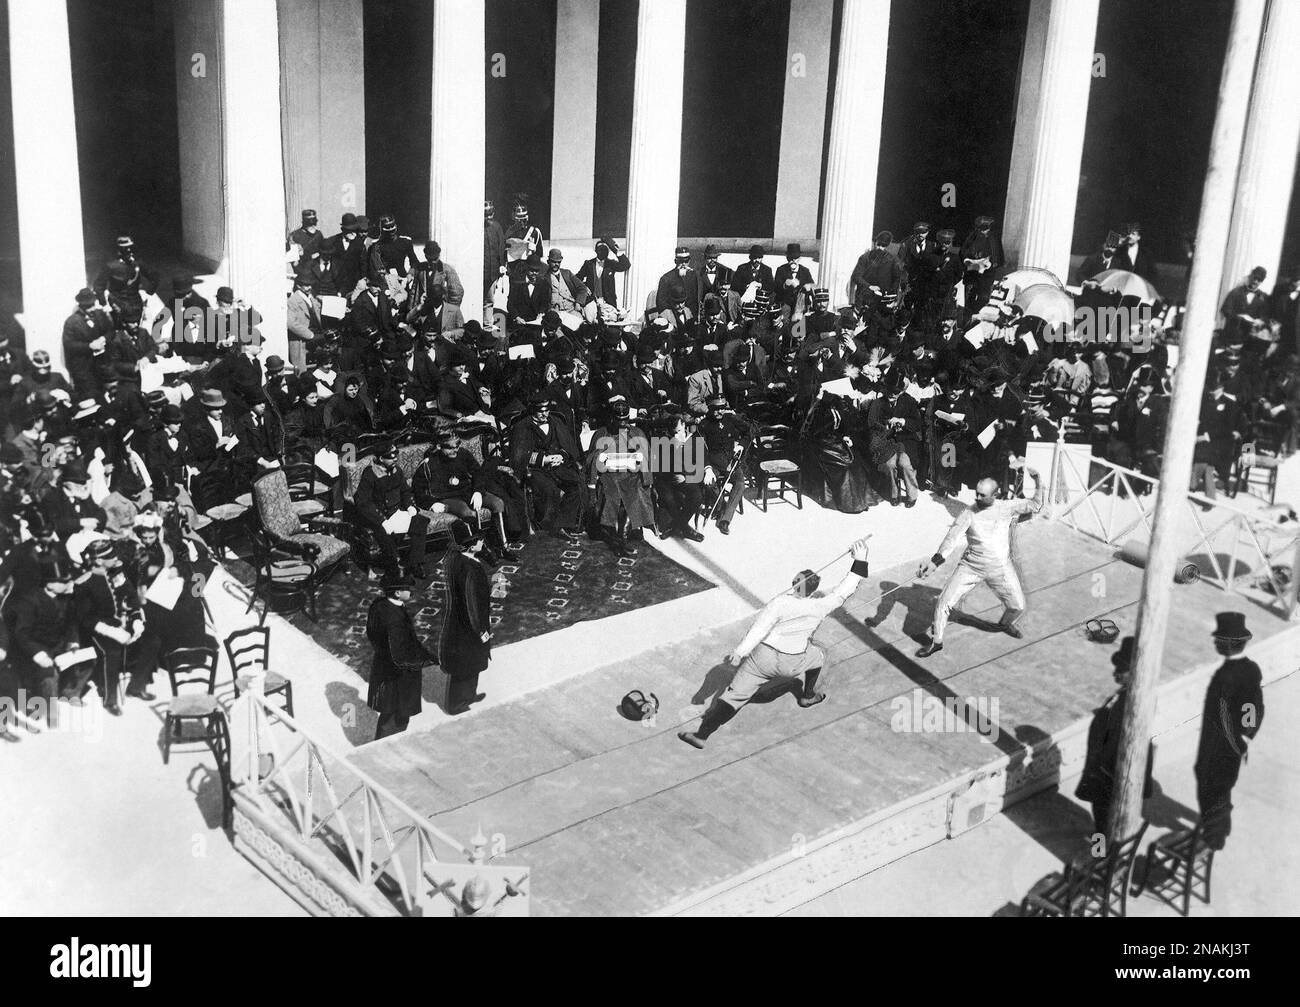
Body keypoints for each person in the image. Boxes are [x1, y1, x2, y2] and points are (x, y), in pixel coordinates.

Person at [679, 537, 871, 749]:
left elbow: (759, 629)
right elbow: (846, 588)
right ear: (813, 590)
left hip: (762, 659)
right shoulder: (821, 606)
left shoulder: (780, 602)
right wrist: (859, 559)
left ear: (794, 584)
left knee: (733, 697)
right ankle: (807, 696)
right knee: (818, 657)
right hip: (793, 662)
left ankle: (701, 736)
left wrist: (740, 652)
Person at [915, 464, 1045, 657]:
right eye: (976, 494)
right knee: (943, 602)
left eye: (982, 495)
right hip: (971, 567)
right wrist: (934, 563)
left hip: (1000, 568)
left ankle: (1005, 624)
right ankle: (937, 642)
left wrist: (1037, 481)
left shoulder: (1006, 507)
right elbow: (951, 538)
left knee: (1018, 606)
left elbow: (1035, 504)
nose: (976, 498)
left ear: (995, 494)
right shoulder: (968, 513)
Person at [1195, 612, 1264, 850]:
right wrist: (1246, 736)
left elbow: (1223, 717)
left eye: (1218, 640)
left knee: (1210, 787)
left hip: (1218, 746)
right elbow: (1255, 705)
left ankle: (1213, 840)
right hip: (1235, 745)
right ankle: (1222, 826)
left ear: (1228, 644)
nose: (1214, 643)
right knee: (1223, 785)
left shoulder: (1226, 676)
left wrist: (1233, 741)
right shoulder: (1252, 669)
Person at [1075, 636, 1153, 835]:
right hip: (1109, 776)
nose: (1115, 674)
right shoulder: (1130, 696)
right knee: (1103, 821)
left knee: (1101, 824)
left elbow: (1117, 743)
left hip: (1107, 779)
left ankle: (1101, 858)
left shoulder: (1129, 704)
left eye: (1122, 670)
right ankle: (1106, 857)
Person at [365, 571, 433, 740]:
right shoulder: (393, 619)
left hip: (384, 666)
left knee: (391, 710)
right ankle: (385, 747)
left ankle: (388, 742)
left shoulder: (380, 605)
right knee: (397, 712)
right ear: (397, 593)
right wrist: (420, 660)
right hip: (398, 673)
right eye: (408, 589)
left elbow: (372, 633)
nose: (411, 591)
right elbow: (399, 650)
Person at [439, 522, 492, 715]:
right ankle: (457, 704)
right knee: (465, 664)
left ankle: (469, 695)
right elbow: (472, 604)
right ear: (471, 545)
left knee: (472, 662)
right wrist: (481, 631)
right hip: (469, 626)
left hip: (460, 623)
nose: (482, 542)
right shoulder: (470, 569)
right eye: (478, 540)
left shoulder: (458, 560)